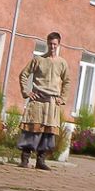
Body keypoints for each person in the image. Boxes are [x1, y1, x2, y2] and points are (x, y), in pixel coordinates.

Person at [17, 31, 70, 169]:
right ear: (47, 43)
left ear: (58, 45)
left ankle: (41, 160)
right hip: (37, 100)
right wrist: (26, 91)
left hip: (52, 102)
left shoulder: (62, 63)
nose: (52, 46)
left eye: (55, 44)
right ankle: (25, 159)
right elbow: (24, 74)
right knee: (32, 130)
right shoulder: (38, 60)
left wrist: (62, 98)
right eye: (50, 43)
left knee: (48, 132)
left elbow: (67, 82)